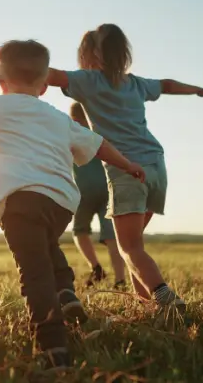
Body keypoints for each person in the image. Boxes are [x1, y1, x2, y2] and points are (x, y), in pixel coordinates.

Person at [0, 25, 203, 318]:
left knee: (129, 248)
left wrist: (4, 73)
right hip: (157, 166)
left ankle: (164, 296)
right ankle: (144, 307)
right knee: (135, 246)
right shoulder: (136, 83)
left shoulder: (88, 81)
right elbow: (168, 84)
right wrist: (199, 90)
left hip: (127, 170)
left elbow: (41, 73)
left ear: (90, 54)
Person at [0, 40, 145, 371]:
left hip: (19, 201)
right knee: (44, 246)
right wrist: (127, 165)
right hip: (61, 203)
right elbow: (98, 144)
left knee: (34, 272)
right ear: (44, 86)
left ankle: (53, 348)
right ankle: (67, 293)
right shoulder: (56, 116)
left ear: (0, 81)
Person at [68, 102, 126, 289]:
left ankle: (99, 269)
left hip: (85, 192)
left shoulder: (71, 135)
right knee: (110, 236)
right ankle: (118, 278)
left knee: (81, 231)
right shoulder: (102, 132)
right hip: (106, 190)